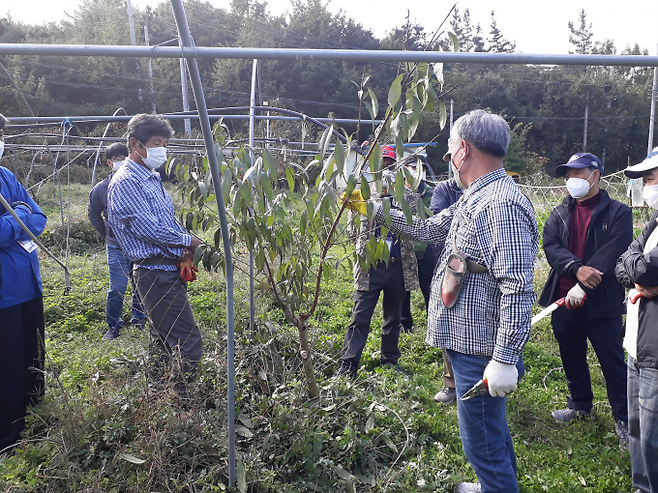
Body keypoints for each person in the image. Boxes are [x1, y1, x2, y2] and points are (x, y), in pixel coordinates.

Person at [343, 109, 537, 493]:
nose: (450, 161)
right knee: (489, 430)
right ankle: (491, 486)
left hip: (481, 348)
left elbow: (517, 287)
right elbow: (428, 229)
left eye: (450, 151)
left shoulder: (500, 204)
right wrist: (375, 209)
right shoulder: (475, 197)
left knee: (480, 441)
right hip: (468, 341)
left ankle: (496, 485)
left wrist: (504, 359)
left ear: (463, 149)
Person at [538, 152, 631, 448]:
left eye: (577, 174)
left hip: (601, 300)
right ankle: (580, 405)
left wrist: (587, 284)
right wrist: (576, 270)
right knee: (570, 353)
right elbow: (551, 246)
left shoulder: (618, 212)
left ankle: (625, 419)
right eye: (567, 175)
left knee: (611, 358)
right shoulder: (559, 213)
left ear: (595, 175)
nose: (571, 180)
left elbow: (615, 248)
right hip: (564, 299)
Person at [107, 114, 201, 395]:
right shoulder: (126, 182)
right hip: (155, 273)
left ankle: (158, 395)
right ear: (135, 144)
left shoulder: (149, 178)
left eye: (164, 144)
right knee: (188, 339)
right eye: (156, 143)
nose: (161, 150)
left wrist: (184, 245)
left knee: (162, 338)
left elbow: (166, 222)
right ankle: (184, 400)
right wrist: (190, 241)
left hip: (166, 270)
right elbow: (148, 228)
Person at [336, 146, 419, 377]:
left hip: (397, 265)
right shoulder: (362, 194)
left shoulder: (406, 197)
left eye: (389, 164)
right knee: (360, 317)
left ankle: (390, 361)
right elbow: (353, 231)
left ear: (396, 167)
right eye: (381, 164)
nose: (385, 169)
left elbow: (415, 228)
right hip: (370, 267)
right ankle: (348, 365)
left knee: (393, 317)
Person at [0, 113, 48, 454]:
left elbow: (39, 218)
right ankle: (8, 435)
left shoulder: (5, 175)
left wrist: (15, 219)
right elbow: (21, 222)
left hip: (29, 285)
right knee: (7, 363)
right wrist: (18, 219)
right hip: (3, 292)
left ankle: (35, 414)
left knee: (33, 354)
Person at [615, 147, 658, 493]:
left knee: (653, 438)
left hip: (655, 351)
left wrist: (637, 268)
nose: (645, 185)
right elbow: (626, 263)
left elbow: (644, 266)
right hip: (636, 345)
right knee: (637, 430)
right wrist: (639, 274)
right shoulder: (654, 222)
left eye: (651, 177)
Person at [88, 143, 145, 341]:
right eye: (117, 158)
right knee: (117, 288)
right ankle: (114, 325)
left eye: (124, 156)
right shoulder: (101, 190)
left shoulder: (139, 183)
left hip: (140, 244)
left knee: (140, 285)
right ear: (109, 162)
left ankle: (140, 321)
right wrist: (107, 233)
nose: (121, 161)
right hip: (116, 246)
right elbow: (93, 214)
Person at [428, 178, 463, 405]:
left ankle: (488, 377)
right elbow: (436, 221)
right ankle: (451, 384)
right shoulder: (445, 189)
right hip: (452, 266)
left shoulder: (494, 191)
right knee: (449, 319)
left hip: (481, 270)